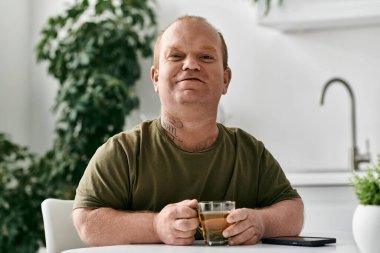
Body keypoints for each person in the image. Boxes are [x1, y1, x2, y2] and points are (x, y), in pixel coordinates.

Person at [72, 15, 304, 246]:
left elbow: (293, 211)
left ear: (225, 79)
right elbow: (86, 223)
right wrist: (155, 226)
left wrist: (261, 222)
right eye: (176, 56)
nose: (191, 65)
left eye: (205, 56)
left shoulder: (249, 152)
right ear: (155, 77)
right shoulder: (123, 152)